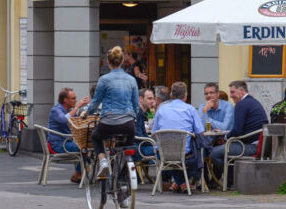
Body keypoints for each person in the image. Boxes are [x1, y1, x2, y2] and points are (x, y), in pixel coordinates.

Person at [83, 46, 141, 187]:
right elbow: (136, 105)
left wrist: (86, 113)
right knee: (126, 147)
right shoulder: (131, 80)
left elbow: (95, 102)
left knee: (96, 137)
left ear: (108, 62)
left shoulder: (104, 80)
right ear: (122, 62)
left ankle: (103, 160)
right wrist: (133, 116)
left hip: (108, 122)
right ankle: (122, 181)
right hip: (128, 124)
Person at [210, 80, 269, 187]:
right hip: (258, 145)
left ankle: (231, 179)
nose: (231, 96)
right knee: (223, 150)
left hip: (249, 147)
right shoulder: (253, 102)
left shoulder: (241, 104)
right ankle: (228, 180)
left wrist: (225, 137)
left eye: (233, 92)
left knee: (213, 153)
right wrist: (227, 136)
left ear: (241, 91)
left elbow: (237, 130)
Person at [151, 82, 205, 192]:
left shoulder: (161, 109)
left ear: (171, 95)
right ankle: (184, 182)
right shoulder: (190, 109)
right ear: (185, 95)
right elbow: (200, 132)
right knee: (200, 151)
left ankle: (178, 182)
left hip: (163, 155)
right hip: (185, 155)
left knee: (167, 153)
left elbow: (154, 133)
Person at [48, 87, 90, 183]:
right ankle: (80, 173)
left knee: (88, 144)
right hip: (58, 144)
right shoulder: (56, 110)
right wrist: (77, 107)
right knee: (82, 147)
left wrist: (85, 112)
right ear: (65, 100)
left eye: (75, 98)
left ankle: (78, 174)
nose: (75, 100)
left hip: (68, 141)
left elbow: (76, 122)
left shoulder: (69, 110)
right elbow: (63, 120)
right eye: (73, 98)